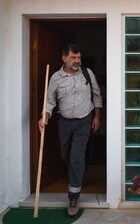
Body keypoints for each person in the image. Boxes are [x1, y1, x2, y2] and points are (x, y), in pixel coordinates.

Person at [38, 43, 103, 216]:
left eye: (79, 57)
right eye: (73, 57)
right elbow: (50, 102)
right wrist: (45, 115)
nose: (77, 61)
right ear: (64, 58)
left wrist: (97, 117)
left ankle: (73, 196)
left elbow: (96, 95)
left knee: (76, 157)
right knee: (65, 154)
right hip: (65, 122)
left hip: (84, 120)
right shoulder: (55, 78)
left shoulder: (87, 74)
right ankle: (79, 173)